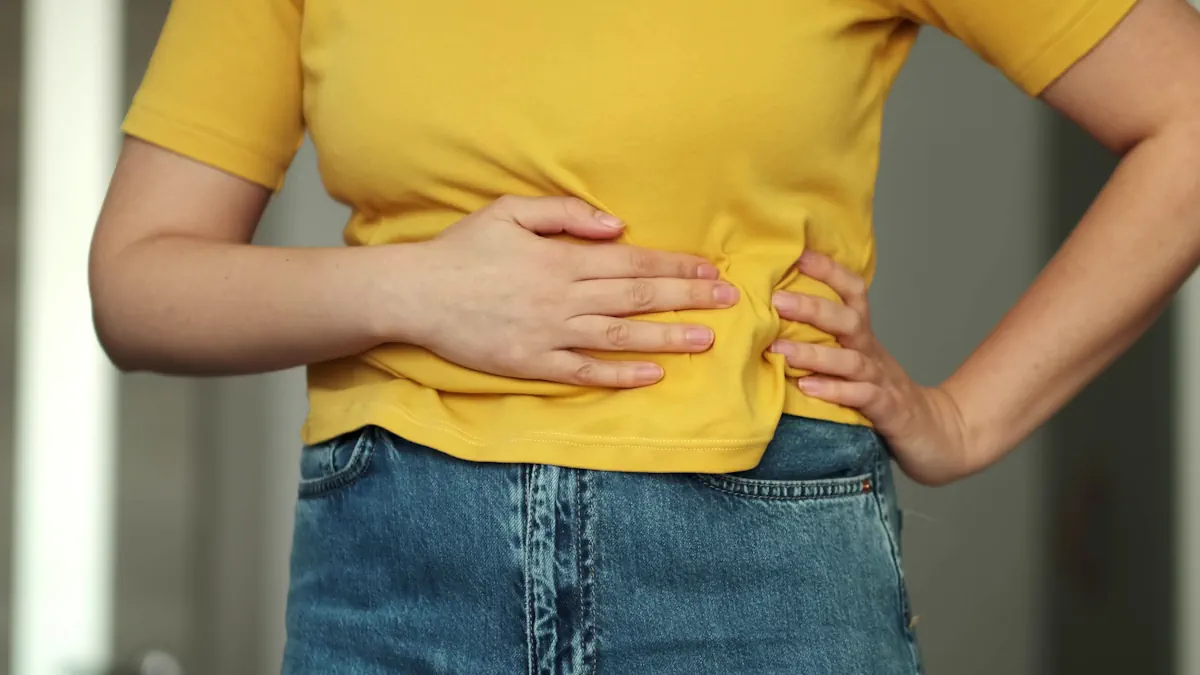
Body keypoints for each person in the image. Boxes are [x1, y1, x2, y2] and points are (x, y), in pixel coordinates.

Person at [89, 0, 1200, 671]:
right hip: (395, 574)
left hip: (764, 563)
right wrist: (417, 290)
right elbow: (138, 280)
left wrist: (966, 416)